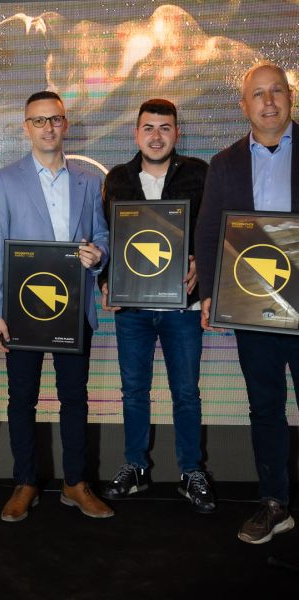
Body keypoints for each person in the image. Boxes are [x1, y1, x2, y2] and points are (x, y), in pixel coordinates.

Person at [0, 90, 113, 521]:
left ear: (65, 123)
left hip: (73, 309)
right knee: (21, 398)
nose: (48, 127)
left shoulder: (88, 181)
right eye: (38, 120)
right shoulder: (5, 180)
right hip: (22, 309)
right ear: (26, 128)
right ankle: (25, 482)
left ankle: (75, 483)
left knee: (74, 397)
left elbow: (102, 234)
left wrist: (99, 254)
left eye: (54, 119)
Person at [195, 61, 298, 543]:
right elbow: (209, 232)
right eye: (258, 93)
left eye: (277, 90)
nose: (269, 101)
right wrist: (210, 294)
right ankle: (275, 503)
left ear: (290, 97)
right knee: (265, 408)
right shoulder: (225, 163)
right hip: (253, 308)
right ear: (244, 106)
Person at [100, 99, 216, 513]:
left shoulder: (199, 174)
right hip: (132, 310)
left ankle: (191, 472)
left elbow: (212, 232)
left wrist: (203, 267)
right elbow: (107, 237)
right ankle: (136, 467)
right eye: (148, 127)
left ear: (176, 133)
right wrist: (105, 282)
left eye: (165, 128)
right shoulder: (117, 179)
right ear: (136, 134)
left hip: (182, 308)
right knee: (133, 391)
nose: (156, 136)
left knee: (186, 392)